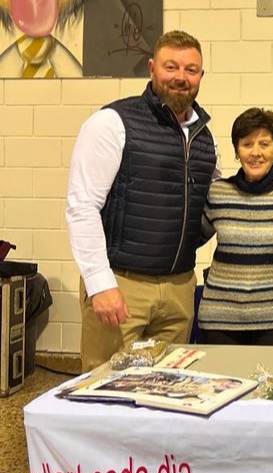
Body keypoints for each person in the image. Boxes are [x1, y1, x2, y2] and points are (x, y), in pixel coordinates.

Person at [66, 30, 217, 371]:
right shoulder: (113, 122)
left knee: (166, 395)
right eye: (171, 67)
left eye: (191, 70)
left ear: (201, 76)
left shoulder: (205, 139)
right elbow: (82, 206)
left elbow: (218, 200)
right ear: (152, 68)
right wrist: (99, 283)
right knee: (104, 391)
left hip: (179, 289)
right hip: (122, 285)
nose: (181, 77)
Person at [196, 108, 273, 346]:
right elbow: (191, 239)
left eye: (264, 144)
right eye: (247, 144)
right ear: (236, 150)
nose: (256, 153)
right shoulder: (218, 192)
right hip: (219, 320)